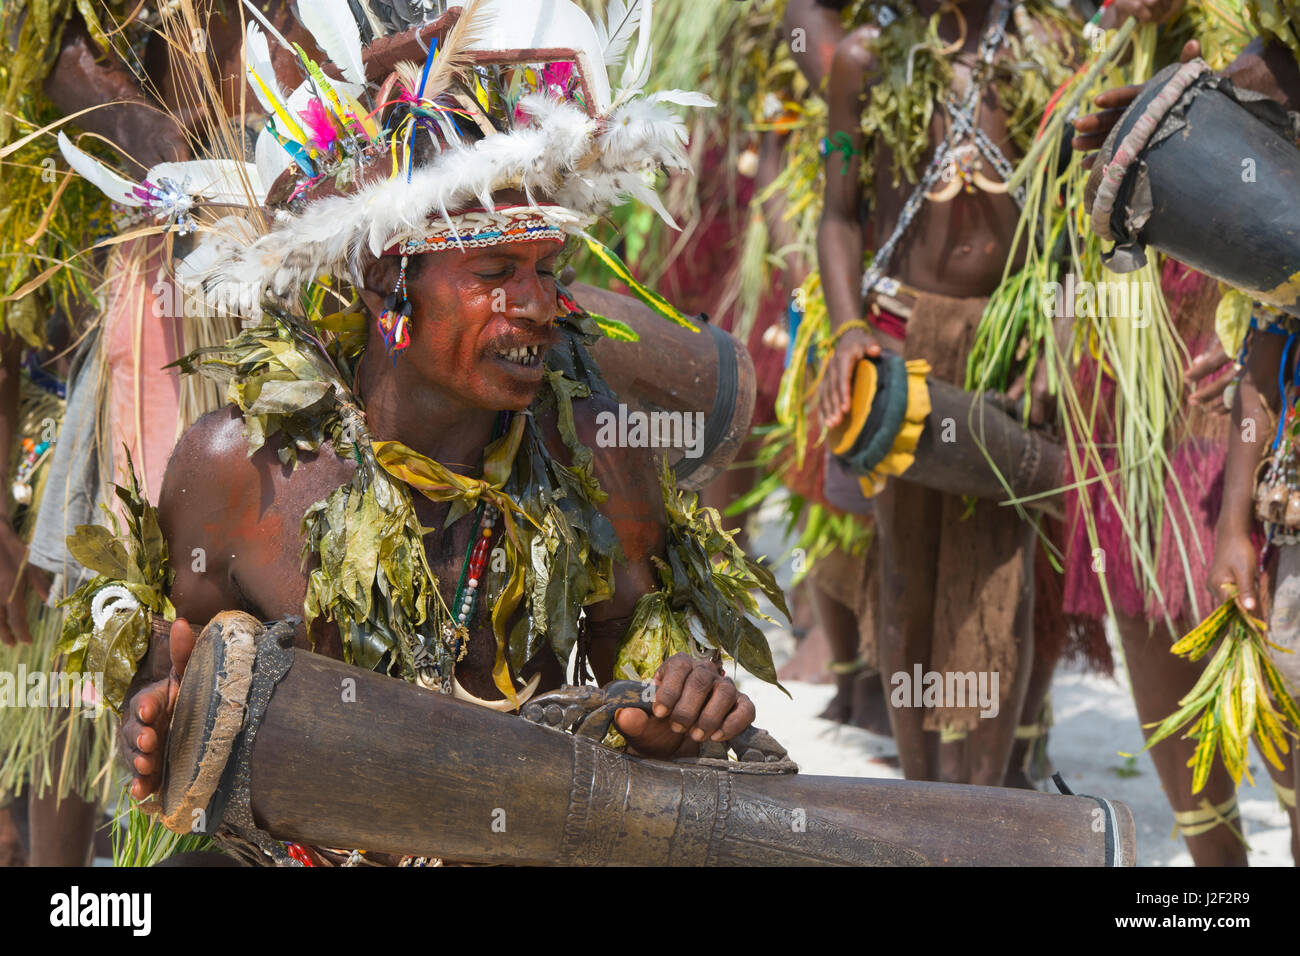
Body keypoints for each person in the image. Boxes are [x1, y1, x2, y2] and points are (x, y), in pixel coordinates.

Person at [58, 1, 787, 861]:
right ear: (385, 286)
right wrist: (158, 714)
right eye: (492, 273)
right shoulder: (236, 472)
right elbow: (173, 696)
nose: (539, 307)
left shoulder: (588, 443)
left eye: (548, 270)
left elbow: (643, 662)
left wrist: (681, 706)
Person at [815, 0, 1078, 785]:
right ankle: (920, 796)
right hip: (901, 335)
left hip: (1011, 341)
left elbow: (1072, 223)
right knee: (905, 570)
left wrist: (1056, 344)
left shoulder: (1045, 50)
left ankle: (987, 804)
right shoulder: (862, 59)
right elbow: (837, 213)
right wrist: (847, 328)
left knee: (1005, 572)